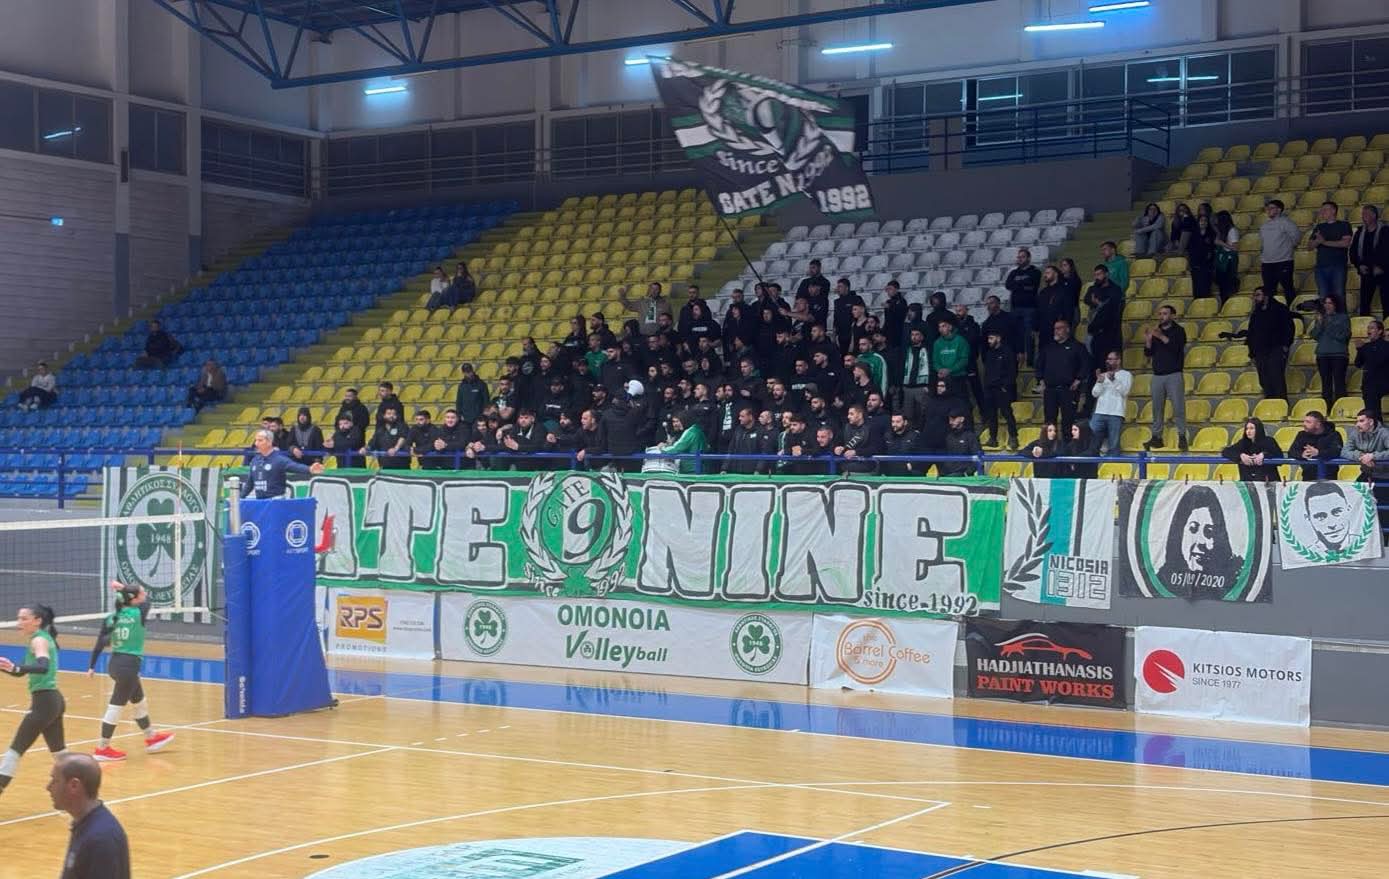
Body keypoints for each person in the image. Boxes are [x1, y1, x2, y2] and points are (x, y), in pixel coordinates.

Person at [86, 581, 175, 763]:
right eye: (141, 593)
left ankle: (151, 737)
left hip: (116, 664)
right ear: (133, 599)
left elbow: (100, 643)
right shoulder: (138, 613)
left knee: (139, 701)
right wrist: (123, 587)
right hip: (128, 666)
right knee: (116, 707)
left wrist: (91, 666)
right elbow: (147, 601)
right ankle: (102, 748)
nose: (144, 595)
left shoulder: (112, 618)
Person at [0, 603, 65, 797]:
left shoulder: (39, 640)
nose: (19, 622)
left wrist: (16, 668)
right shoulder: (40, 638)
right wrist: (9, 668)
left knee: (15, 750)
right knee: (60, 755)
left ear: (37, 621)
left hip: (44, 703)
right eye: (18, 618)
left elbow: (43, 666)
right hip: (53, 701)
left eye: (24, 618)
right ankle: (84, 793)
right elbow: (23, 672)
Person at [51, 752, 131, 879]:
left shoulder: (101, 838)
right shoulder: (83, 823)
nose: (48, 787)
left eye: (55, 781)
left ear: (74, 785)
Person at [1158, 485, 1245, 599]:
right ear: (1179, 532)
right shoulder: (1163, 579)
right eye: (1193, 529)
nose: (1201, 541)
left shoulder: (1233, 580)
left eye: (1209, 532)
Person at [1143, 304, 1189, 452]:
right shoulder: (1157, 331)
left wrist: (1161, 337)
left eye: (1165, 313)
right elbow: (1148, 353)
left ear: (1172, 315)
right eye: (1160, 314)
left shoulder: (1179, 331)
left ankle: (1182, 435)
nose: (1161, 316)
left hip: (1174, 374)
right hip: (1157, 375)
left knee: (1178, 407)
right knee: (1157, 408)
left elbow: (1176, 348)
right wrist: (1148, 340)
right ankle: (1157, 437)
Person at [1035, 318, 1088, 434]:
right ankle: (1050, 444)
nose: (1056, 331)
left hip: (1069, 390)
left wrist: (1078, 379)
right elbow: (1039, 365)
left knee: (1068, 421)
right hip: (1050, 390)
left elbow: (1085, 365)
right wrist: (1041, 381)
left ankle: (1068, 444)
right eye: (1055, 329)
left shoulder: (1077, 346)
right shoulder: (1048, 348)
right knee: (1049, 422)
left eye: (1059, 328)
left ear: (1067, 330)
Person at [1344, 409, 1389, 536]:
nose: (1357, 424)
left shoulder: (1384, 433)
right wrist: (1361, 456)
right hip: (1367, 474)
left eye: (1361, 421)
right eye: (1357, 421)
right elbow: (1344, 451)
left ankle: (1385, 539)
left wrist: (1374, 456)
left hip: (1385, 476)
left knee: (1383, 511)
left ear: (1371, 422)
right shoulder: (1355, 433)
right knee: (1353, 500)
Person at [241, 428, 323, 498]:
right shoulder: (255, 460)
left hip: (276, 502)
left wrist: (310, 469)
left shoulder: (279, 460)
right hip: (260, 503)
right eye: (256, 440)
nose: (256, 443)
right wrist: (239, 498)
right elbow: (249, 484)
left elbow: (295, 466)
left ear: (269, 442)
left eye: (260, 440)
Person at [1247, 286, 1295, 400]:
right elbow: (1251, 333)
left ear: (1266, 296)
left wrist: (1285, 345)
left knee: (1277, 378)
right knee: (1264, 380)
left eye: (1258, 295)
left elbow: (1289, 328)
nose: (1255, 298)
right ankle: (1269, 404)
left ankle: (1281, 404)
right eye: (1254, 296)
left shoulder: (1280, 309)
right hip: (1260, 351)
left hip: (1276, 349)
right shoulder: (1256, 313)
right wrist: (1252, 353)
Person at [1308, 293, 1351, 409]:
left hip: (1339, 354)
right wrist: (1319, 324)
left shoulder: (1343, 318)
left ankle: (1341, 409)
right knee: (1325, 384)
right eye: (1325, 303)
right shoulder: (1321, 318)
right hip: (1322, 354)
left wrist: (1327, 323)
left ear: (1336, 305)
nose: (1327, 306)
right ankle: (1327, 409)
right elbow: (1314, 335)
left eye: (1330, 303)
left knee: (1339, 383)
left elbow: (1343, 336)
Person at [1309, 200, 1353, 304]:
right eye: (1321, 210)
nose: (1322, 212)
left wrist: (1323, 242)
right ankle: (1326, 315)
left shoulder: (1344, 225)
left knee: (1339, 295)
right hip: (1321, 266)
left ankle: (1341, 315)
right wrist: (1318, 241)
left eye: (1325, 209)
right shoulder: (1319, 227)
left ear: (1333, 211)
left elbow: (1345, 243)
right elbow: (1309, 246)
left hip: (1338, 265)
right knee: (1323, 296)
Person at [981, 329, 1018, 449]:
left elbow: (1012, 371)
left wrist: (1005, 386)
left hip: (1002, 389)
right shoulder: (989, 353)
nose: (989, 341)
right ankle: (993, 438)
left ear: (998, 338)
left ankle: (1013, 437)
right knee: (991, 415)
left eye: (991, 338)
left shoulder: (1007, 352)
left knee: (1007, 414)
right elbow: (987, 371)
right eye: (988, 338)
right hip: (989, 389)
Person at [1089, 350, 1131, 456]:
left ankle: (1114, 463)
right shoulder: (1103, 375)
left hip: (1116, 413)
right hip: (1099, 412)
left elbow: (1125, 392)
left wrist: (1114, 380)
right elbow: (1094, 393)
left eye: (1112, 359)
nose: (1109, 361)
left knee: (1114, 444)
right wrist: (1100, 382)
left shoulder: (1126, 375)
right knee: (1093, 442)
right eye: (1108, 359)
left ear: (1118, 361)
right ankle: (1092, 463)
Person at [1259, 199, 1301, 305]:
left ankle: (1291, 309)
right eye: (1267, 208)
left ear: (1279, 210)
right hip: (1267, 262)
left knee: (1288, 288)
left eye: (1271, 208)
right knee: (1269, 290)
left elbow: (1296, 237)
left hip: (1283, 261)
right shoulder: (1264, 226)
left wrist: (1286, 249)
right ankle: (1271, 310)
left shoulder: (1286, 223)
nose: (1268, 210)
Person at [1003, 248, 1041, 364]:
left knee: (1029, 335)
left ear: (1028, 258)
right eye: (1019, 257)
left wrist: (1017, 285)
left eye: (1022, 257)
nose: (1020, 259)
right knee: (1015, 333)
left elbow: (1033, 284)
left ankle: (1029, 361)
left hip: (1030, 308)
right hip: (1015, 308)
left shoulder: (1035, 271)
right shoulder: (1013, 272)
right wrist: (1024, 286)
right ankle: (1017, 359)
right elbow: (1008, 285)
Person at [1351, 205, 1389, 317]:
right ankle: (1365, 325)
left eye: (1366, 214)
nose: (1363, 217)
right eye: (1363, 214)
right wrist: (1359, 266)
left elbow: (1386, 251)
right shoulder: (1359, 232)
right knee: (1364, 305)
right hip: (1366, 272)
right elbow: (1353, 252)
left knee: (1387, 303)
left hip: (1384, 272)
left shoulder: (1385, 231)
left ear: (1374, 215)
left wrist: (1381, 266)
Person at [1221, 417, 1283, 482]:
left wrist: (1264, 455)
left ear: (1258, 429)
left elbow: (1280, 457)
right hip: (1248, 482)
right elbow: (1226, 451)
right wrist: (1241, 455)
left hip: (1268, 482)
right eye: (1247, 429)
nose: (1248, 431)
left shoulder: (1269, 441)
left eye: (1252, 428)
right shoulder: (1243, 442)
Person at [1287, 411, 1343, 481]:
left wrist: (1318, 452)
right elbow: (1292, 451)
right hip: (1307, 476)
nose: (1304, 424)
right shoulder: (1301, 435)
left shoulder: (1334, 435)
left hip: (1329, 477)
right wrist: (1302, 454)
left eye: (1308, 422)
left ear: (1318, 424)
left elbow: (1337, 451)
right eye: (1304, 421)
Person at [1303, 482, 1354, 553]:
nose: (1332, 524)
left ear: (1348, 509)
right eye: (1320, 517)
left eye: (1337, 512)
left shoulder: (1366, 545)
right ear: (1308, 518)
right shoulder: (1305, 553)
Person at [1355, 320, 1389, 421]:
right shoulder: (1365, 347)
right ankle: (1374, 424)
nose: (1369, 330)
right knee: (1371, 407)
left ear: (1380, 331)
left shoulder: (1386, 346)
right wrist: (1359, 350)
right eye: (1368, 328)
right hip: (1369, 383)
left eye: (1372, 328)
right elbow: (1358, 364)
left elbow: (1378, 361)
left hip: (1384, 380)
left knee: (1372, 392)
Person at [938, 412, 980, 476]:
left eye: (953, 419)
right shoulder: (948, 436)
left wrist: (967, 473)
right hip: (946, 474)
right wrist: (942, 472)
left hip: (963, 476)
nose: (950, 422)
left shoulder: (970, 436)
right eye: (949, 419)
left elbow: (977, 456)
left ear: (962, 419)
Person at [1213, 210, 1242, 303]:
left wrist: (1222, 243)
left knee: (1226, 287)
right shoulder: (1222, 231)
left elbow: (1235, 248)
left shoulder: (1232, 231)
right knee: (1222, 287)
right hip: (1222, 261)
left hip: (1228, 262)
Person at [1188, 212, 1217, 300]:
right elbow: (1191, 250)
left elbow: (1213, 249)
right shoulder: (1194, 234)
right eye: (1201, 220)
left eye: (1205, 221)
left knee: (1206, 287)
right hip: (1196, 265)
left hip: (1207, 266)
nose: (1203, 222)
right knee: (1197, 287)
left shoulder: (1211, 234)